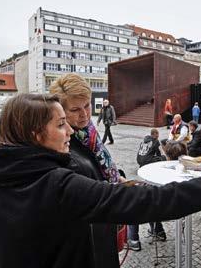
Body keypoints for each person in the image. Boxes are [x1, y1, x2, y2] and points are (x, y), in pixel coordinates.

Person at [0, 93, 201, 268]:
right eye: (61, 125)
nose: (70, 131)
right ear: (35, 135)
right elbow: (154, 202)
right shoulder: (56, 184)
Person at [50, 74, 121, 267]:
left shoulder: (89, 131)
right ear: (60, 110)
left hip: (103, 224)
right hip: (85, 238)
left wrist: (117, 177)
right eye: (75, 109)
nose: (84, 115)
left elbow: (100, 163)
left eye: (87, 106)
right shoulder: (59, 142)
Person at [128, 129, 167, 251]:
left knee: (135, 202)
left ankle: (133, 240)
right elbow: (161, 155)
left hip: (157, 201)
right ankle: (158, 231)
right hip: (165, 202)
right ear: (155, 135)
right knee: (151, 197)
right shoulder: (156, 144)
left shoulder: (143, 142)